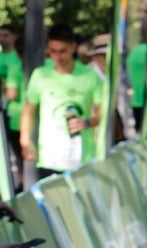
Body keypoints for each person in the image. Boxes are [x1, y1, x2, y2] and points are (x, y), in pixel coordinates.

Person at [21, 25, 102, 180]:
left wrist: (87, 122)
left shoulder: (90, 76)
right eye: (53, 51)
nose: (57, 56)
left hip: (81, 156)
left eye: (63, 51)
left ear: (73, 47)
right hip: (50, 157)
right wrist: (25, 140)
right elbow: (29, 110)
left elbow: (102, 113)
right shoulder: (40, 75)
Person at [2, 24, 26, 182]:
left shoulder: (15, 67)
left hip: (17, 117)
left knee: (20, 154)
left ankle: (24, 183)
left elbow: (11, 94)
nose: (2, 39)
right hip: (19, 115)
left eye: (6, 35)